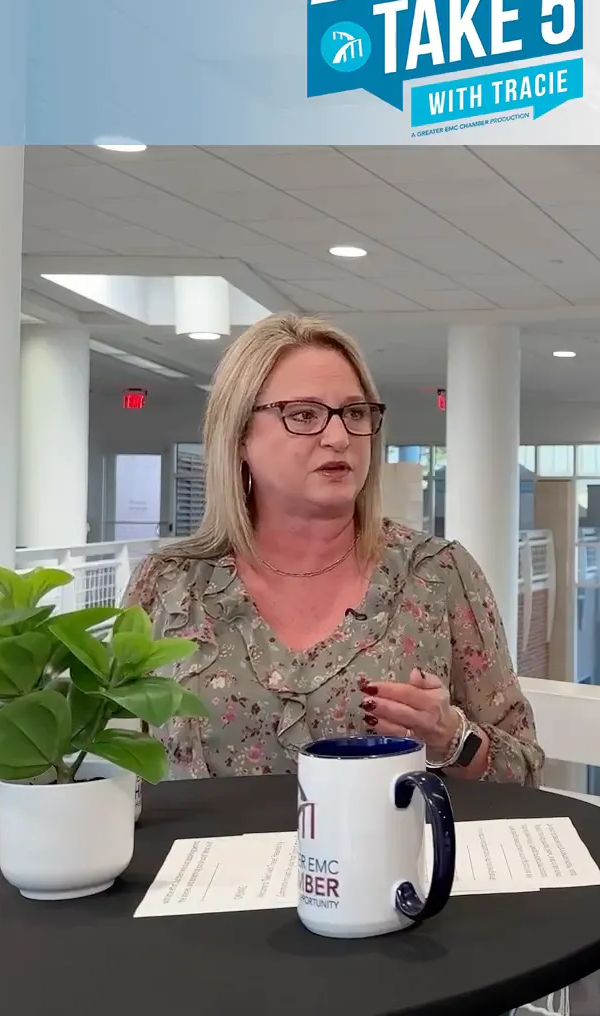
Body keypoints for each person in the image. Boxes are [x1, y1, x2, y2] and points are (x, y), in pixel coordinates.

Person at [124, 313, 543, 785]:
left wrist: (452, 739)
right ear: (239, 436)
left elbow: (524, 771)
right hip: (202, 837)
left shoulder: (438, 574)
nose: (340, 437)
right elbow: (108, 759)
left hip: (391, 836)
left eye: (355, 413)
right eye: (304, 415)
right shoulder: (168, 584)